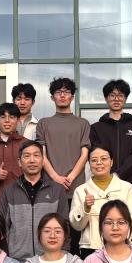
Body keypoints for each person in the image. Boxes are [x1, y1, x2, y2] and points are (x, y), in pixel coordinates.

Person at [0, 140, 68, 260]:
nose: (32, 160)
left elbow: (65, 225)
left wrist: (63, 255)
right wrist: (6, 258)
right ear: (19, 162)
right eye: (27, 156)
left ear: (43, 160)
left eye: (36, 155)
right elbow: (2, 227)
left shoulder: (57, 191)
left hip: (50, 259)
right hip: (17, 261)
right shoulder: (9, 192)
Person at [70, 145, 132, 258]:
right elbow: (76, 225)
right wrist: (85, 207)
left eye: (104, 158)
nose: (99, 163)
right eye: (94, 160)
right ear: (89, 164)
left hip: (122, 246)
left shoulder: (126, 188)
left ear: (111, 162)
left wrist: (123, 241)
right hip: (91, 248)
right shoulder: (80, 190)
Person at [36, 77, 91, 206]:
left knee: (76, 219)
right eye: (58, 92)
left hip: (76, 187)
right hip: (49, 187)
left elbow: (85, 155)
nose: (62, 95)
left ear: (72, 97)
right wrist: (56, 178)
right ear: (52, 97)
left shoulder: (83, 123)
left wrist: (70, 178)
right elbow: (41, 155)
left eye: (66, 92)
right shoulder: (43, 123)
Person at [89, 79, 132, 192]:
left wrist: (117, 175)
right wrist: (110, 177)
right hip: (105, 185)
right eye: (112, 95)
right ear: (106, 98)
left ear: (125, 98)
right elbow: (97, 156)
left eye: (120, 95)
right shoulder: (96, 128)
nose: (116, 99)